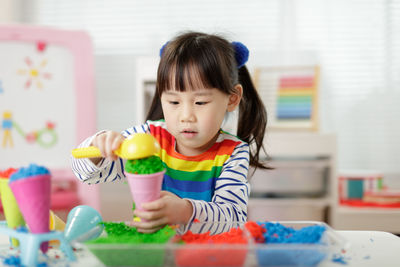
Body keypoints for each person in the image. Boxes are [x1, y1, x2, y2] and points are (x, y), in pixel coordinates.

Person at [71, 31, 268, 234]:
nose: (186, 116)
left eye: (200, 102)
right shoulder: (148, 139)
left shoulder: (233, 153)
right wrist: (98, 146)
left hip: (207, 254)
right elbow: (84, 174)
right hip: (156, 254)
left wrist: (185, 211)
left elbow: (233, 218)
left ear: (232, 99)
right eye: (174, 102)